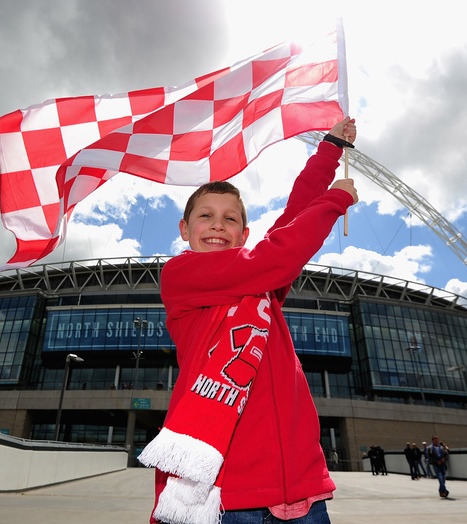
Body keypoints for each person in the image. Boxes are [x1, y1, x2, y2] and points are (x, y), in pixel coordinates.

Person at [138, 117, 359, 524]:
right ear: (185, 229)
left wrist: (329, 151)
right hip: (228, 494)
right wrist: (335, 202)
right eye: (205, 216)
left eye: (230, 218)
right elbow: (279, 254)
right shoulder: (182, 275)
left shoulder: (263, 286)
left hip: (301, 489)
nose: (218, 224)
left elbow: (293, 219)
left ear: (243, 234)